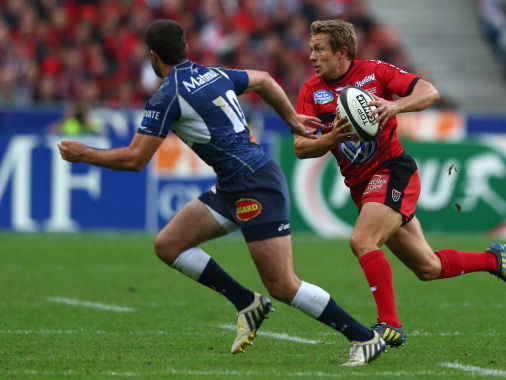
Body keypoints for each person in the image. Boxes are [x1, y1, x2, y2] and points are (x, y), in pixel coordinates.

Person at [57, 19, 386, 367]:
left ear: (153, 56)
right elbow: (263, 79)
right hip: (237, 182)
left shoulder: (168, 95)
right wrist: (291, 119)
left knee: (283, 284)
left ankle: (363, 338)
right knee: (169, 244)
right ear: (185, 47)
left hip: (253, 185)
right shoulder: (213, 73)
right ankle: (247, 302)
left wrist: (84, 154)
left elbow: (135, 159)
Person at [294, 19, 506, 349]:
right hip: (361, 186)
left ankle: (390, 326)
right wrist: (329, 137)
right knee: (428, 267)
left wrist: (394, 105)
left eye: (319, 49)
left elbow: (428, 91)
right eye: (311, 49)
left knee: (362, 240)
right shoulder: (309, 91)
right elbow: (300, 148)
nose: (312, 56)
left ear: (342, 52)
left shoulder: (374, 72)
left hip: (392, 170)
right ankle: (493, 260)